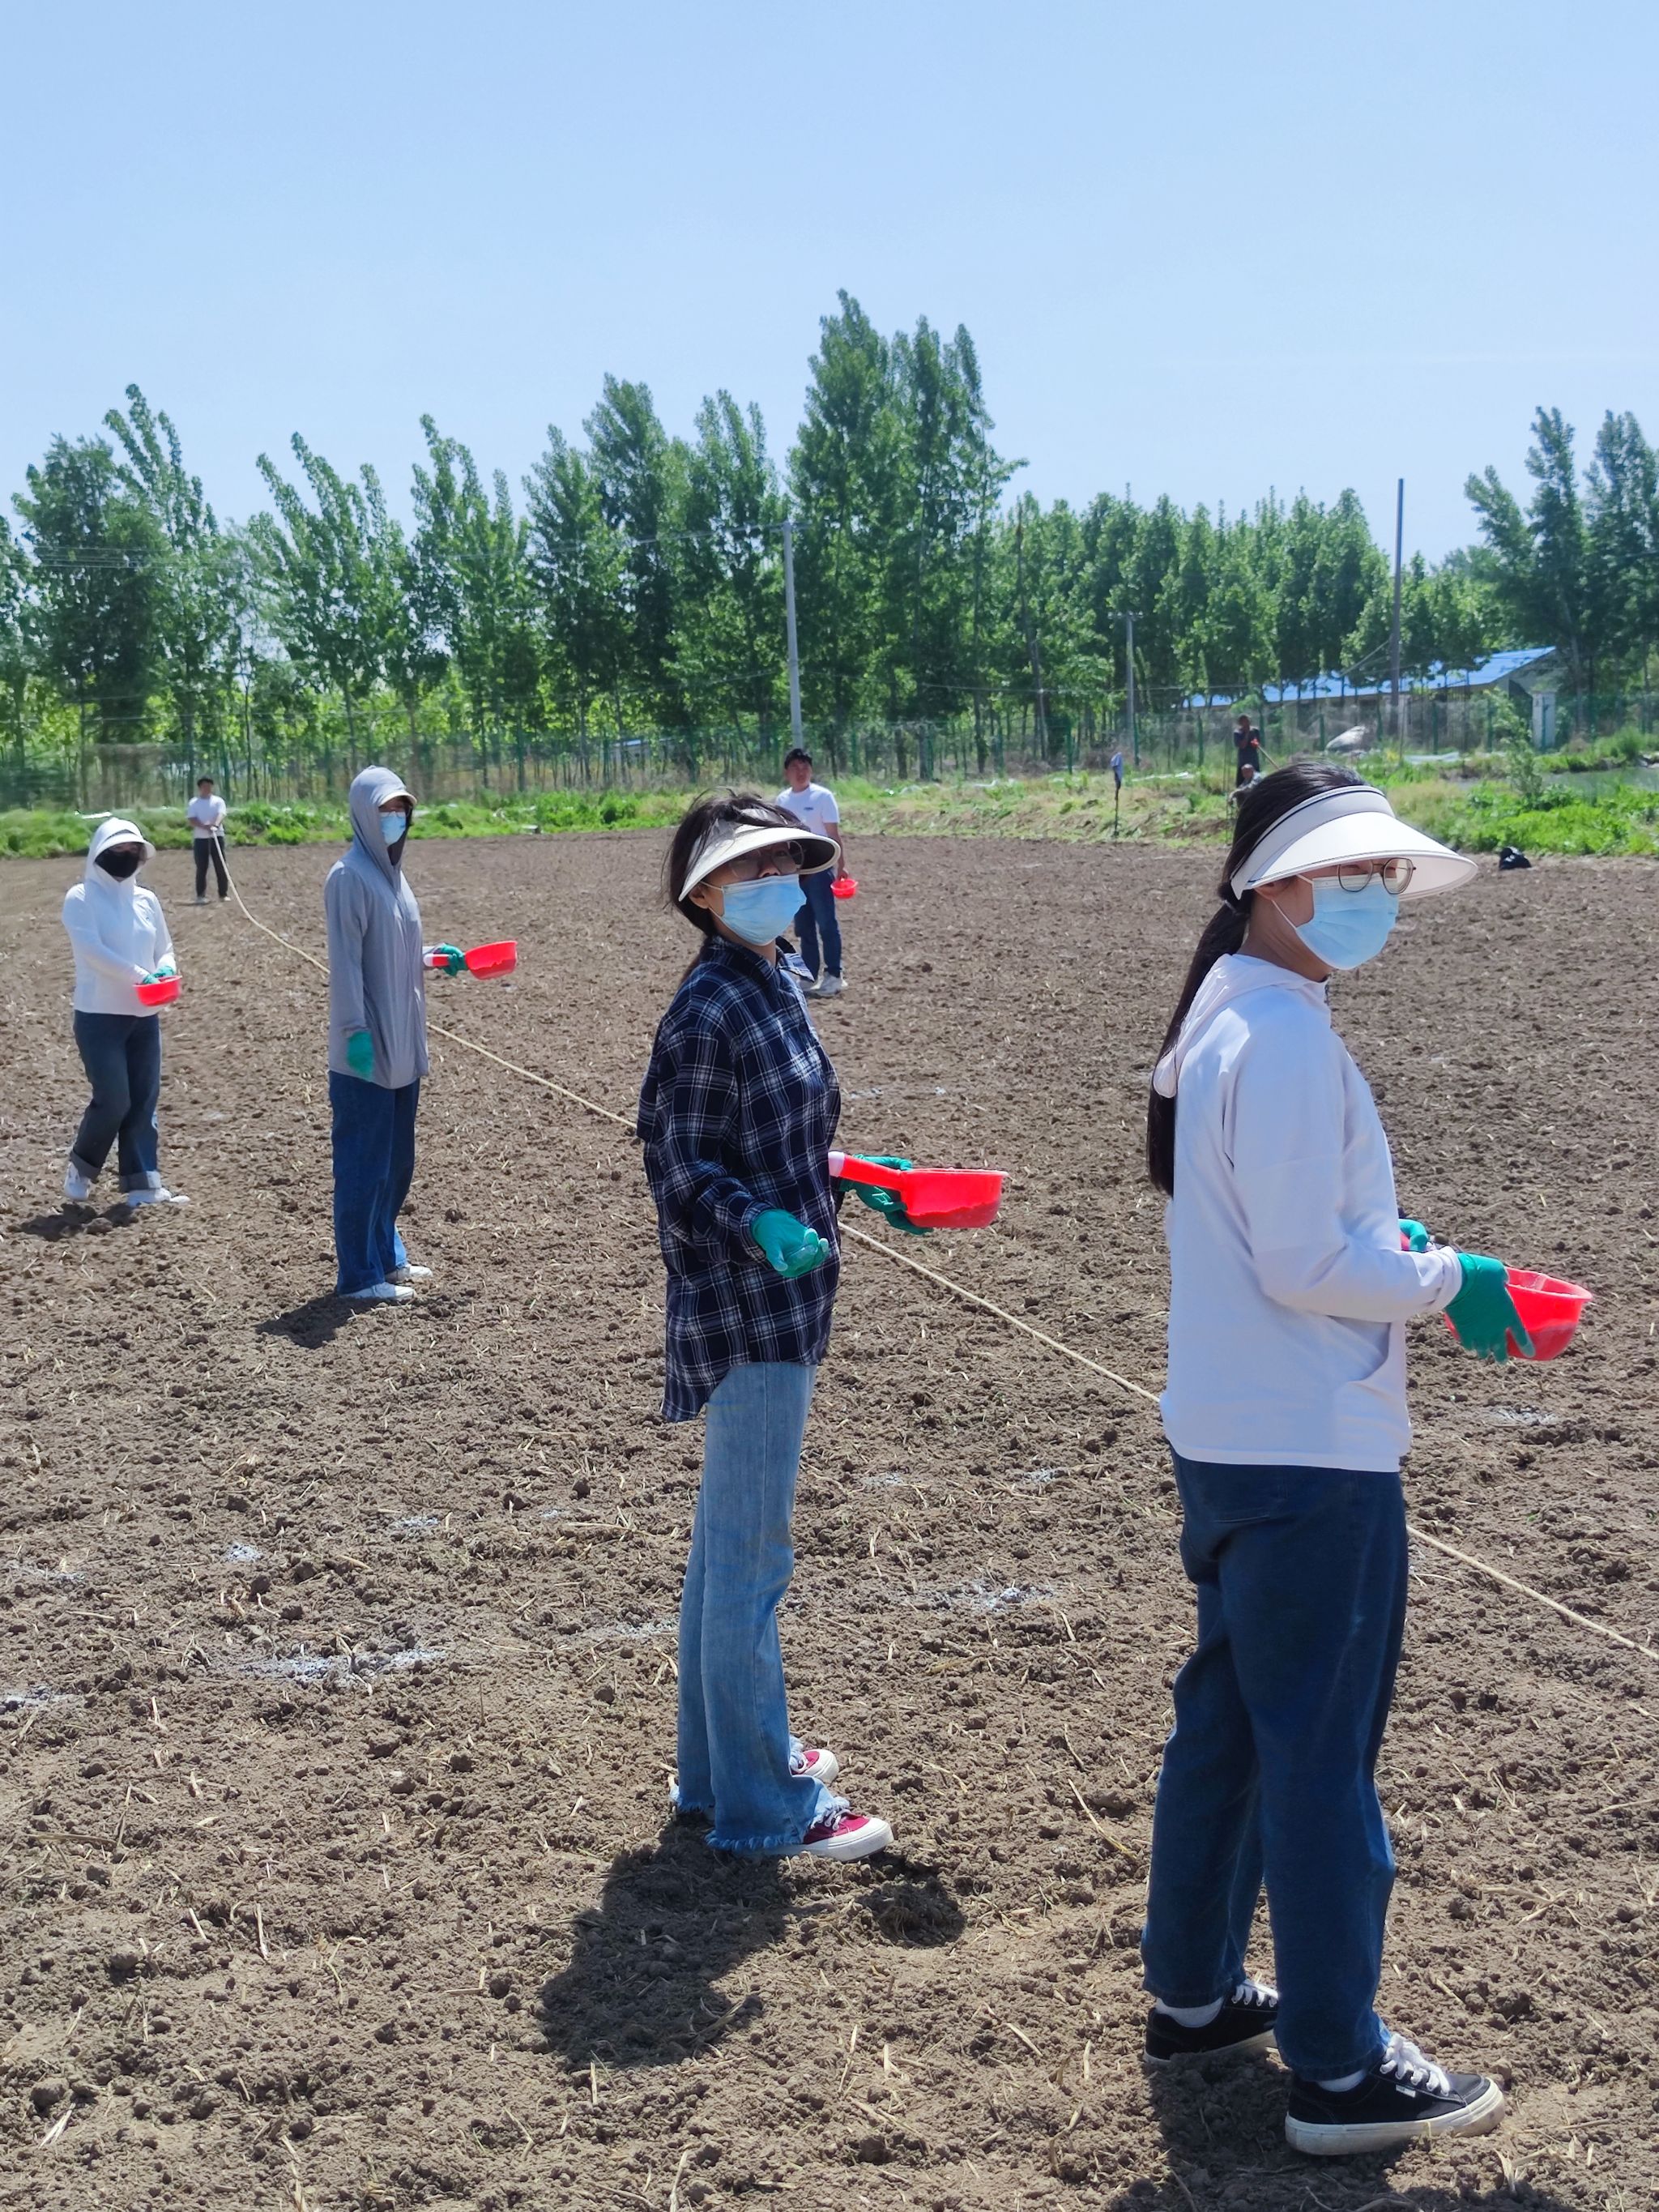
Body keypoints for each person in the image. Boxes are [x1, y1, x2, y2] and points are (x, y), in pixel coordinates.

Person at [1139, 762, 1525, 2155]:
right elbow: (1308, 1261)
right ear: (1274, 885)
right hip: (1308, 1450)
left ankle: (1192, 1991)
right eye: (1350, 873)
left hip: (1228, 1432)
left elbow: (1285, 1231)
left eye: (1383, 875)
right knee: (1319, 1754)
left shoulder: (1227, 1017)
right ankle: (1338, 2066)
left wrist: (1398, 1251)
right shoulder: (1286, 1038)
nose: (1375, 896)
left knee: (1235, 1722)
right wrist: (1449, 1277)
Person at [638, 791, 915, 1863]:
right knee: (751, 1559)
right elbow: (679, 1166)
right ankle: (764, 1808)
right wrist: (755, 1220)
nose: (777, 883)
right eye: (751, 870)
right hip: (746, 1309)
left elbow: (783, 1134)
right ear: (704, 894)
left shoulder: (774, 979)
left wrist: (856, 1176)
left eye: (784, 865)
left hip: (789, 1297)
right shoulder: (707, 1008)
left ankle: (715, 1774)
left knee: (725, 1554)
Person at [323, 767, 464, 1305]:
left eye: (401, 808)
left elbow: (393, 950)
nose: (395, 818)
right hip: (366, 1050)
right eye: (384, 809)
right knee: (364, 1165)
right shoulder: (348, 878)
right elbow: (347, 966)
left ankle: (387, 1254)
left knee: (397, 1164)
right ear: (363, 813)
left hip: (405, 1046)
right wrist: (354, 1033)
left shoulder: (396, 879)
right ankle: (359, 1276)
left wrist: (432, 957)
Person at [61, 818, 189, 1207]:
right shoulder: (80, 898)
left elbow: (165, 948)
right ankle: (82, 1167)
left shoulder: (146, 900)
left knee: (144, 1100)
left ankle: (143, 1183)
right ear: (99, 853)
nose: (126, 856)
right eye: (117, 850)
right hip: (99, 1017)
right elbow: (92, 951)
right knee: (114, 1099)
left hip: (144, 1016)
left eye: (133, 850)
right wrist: (140, 975)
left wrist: (164, 970)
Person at [774, 747, 847, 997]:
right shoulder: (782, 800)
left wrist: (842, 865)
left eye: (805, 766)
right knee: (803, 926)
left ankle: (834, 974)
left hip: (821, 867)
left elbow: (833, 834)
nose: (800, 771)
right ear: (786, 772)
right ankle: (808, 975)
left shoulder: (822, 797)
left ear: (811, 770)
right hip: (795, 870)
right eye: (795, 767)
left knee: (826, 923)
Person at [187, 775, 229, 903]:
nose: (207, 788)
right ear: (200, 788)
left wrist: (215, 825)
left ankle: (223, 894)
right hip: (200, 839)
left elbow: (221, 814)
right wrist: (204, 826)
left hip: (217, 837)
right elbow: (192, 819)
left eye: (209, 786)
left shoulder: (218, 801)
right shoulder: (194, 803)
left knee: (220, 866)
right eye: (204, 786)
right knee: (201, 867)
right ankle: (200, 895)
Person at [1234, 714, 1265, 787]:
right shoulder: (1237, 732)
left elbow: (1257, 745)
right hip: (1243, 760)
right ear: (1240, 723)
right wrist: (1247, 733)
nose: (1246, 723)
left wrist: (1255, 743)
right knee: (1241, 782)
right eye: (1244, 721)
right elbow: (1242, 746)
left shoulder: (1255, 731)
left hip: (1253, 760)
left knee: (1256, 781)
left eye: (1247, 721)